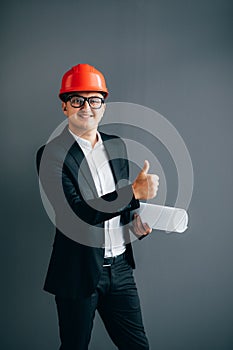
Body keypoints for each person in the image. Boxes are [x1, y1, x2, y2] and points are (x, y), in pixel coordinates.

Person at [36, 63, 159, 350]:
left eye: (94, 100)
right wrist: (133, 193)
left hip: (120, 269)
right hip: (77, 272)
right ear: (64, 107)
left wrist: (133, 225)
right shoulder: (50, 154)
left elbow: (117, 205)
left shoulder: (116, 146)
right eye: (77, 100)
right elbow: (74, 212)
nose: (86, 107)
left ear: (103, 106)